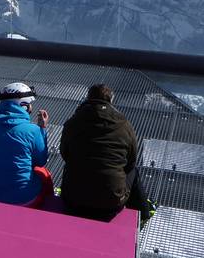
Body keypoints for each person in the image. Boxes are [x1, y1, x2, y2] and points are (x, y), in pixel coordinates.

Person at [60, 83, 152, 223]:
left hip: (72, 200)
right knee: (133, 172)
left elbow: (65, 154)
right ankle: (143, 214)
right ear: (111, 100)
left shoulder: (73, 122)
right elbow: (131, 161)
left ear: (88, 98)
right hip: (109, 205)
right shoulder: (124, 125)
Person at [0, 82, 53, 207]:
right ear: (24, 105)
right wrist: (42, 128)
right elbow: (40, 161)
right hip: (24, 199)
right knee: (43, 172)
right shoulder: (33, 130)